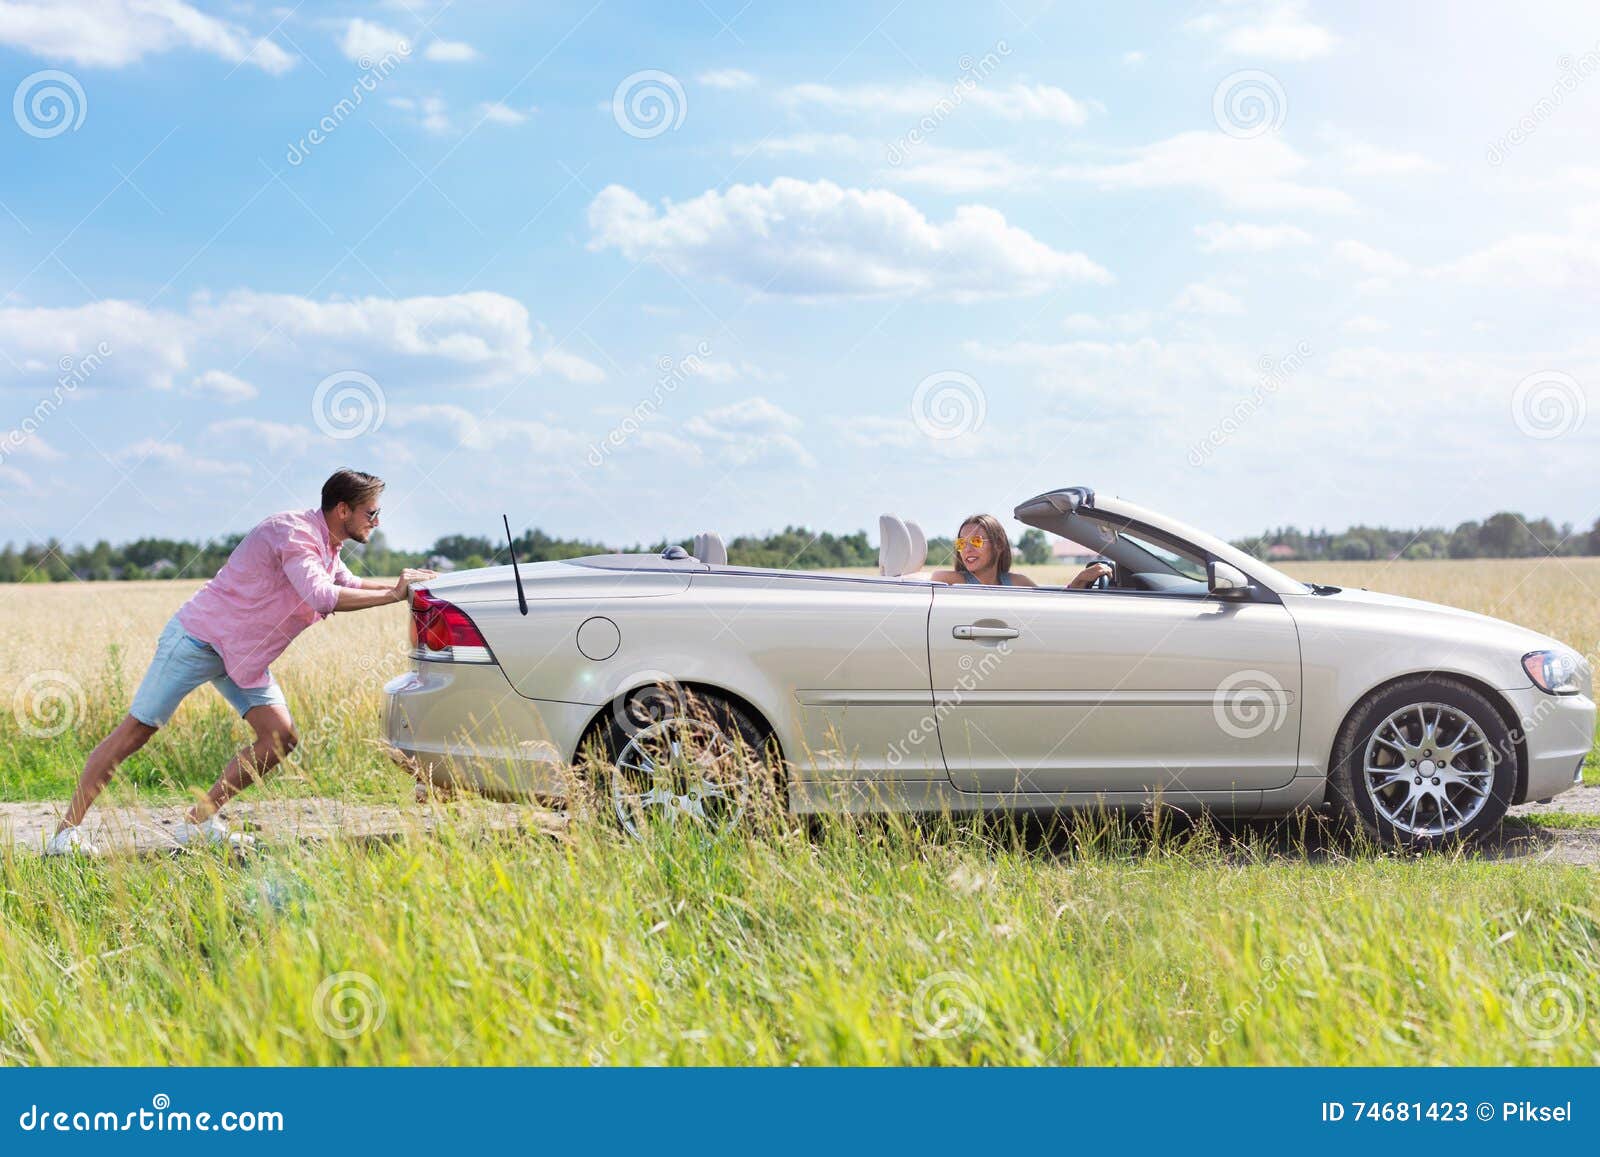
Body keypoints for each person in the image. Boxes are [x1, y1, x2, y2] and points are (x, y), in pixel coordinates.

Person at [44, 469, 436, 856]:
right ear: (343, 510)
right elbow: (322, 596)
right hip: (199, 640)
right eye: (372, 513)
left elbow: (346, 583)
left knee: (280, 738)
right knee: (137, 731)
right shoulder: (294, 535)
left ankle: (197, 823)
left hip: (244, 658)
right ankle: (65, 835)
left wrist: (407, 586)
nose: (378, 521)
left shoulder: (326, 543)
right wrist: (392, 595)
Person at [930, 512, 1111, 589]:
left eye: (976, 541)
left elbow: (1050, 610)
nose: (967, 549)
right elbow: (913, 581)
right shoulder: (947, 580)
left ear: (999, 545)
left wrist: (1080, 581)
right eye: (961, 543)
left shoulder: (1018, 582)